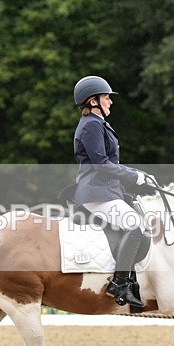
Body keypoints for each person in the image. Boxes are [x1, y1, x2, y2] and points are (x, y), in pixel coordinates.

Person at [71, 75, 153, 313]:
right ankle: (119, 283)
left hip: (107, 190)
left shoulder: (98, 123)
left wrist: (137, 173)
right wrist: (135, 176)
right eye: (106, 97)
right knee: (135, 226)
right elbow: (102, 165)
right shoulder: (91, 125)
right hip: (96, 193)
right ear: (93, 100)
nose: (110, 101)